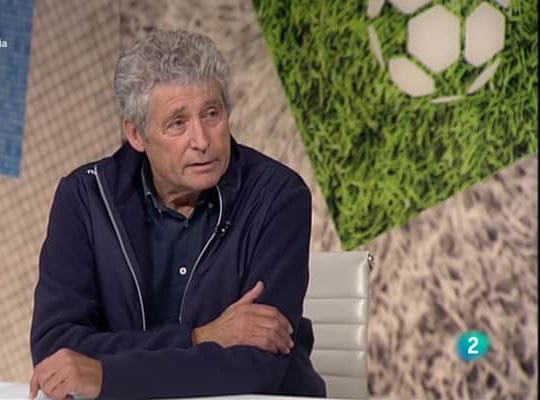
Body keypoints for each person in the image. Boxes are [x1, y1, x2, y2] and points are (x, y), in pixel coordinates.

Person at [29, 29, 326, 400]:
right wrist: (201, 337)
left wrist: (108, 375)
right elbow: (56, 351)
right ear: (136, 135)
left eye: (212, 114)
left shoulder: (278, 196)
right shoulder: (85, 198)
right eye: (178, 123)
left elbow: (256, 365)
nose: (202, 141)